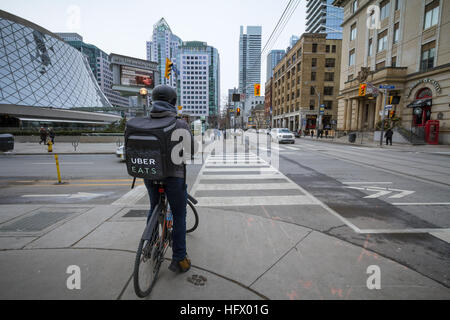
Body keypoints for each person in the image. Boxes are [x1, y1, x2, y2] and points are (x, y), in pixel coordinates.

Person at [143, 85, 194, 273]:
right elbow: (189, 153)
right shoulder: (180, 124)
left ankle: (149, 243)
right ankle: (179, 259)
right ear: (173, 102)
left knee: (153, 207)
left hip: (150, 175)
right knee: (179, 215)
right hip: (174, 177)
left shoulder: (143, 122)